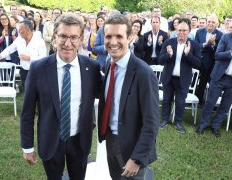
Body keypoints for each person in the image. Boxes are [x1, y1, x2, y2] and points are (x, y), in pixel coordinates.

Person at [20, 13, 102, 179]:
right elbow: (27, 112)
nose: (68, 43)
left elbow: (107, 95)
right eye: (63, 36)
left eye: (73, 37)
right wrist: (27, 147)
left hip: (80, 140)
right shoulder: (38, 68)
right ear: (55, 37)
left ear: (80, 39)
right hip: (50, 139)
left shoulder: (92, 67)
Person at [98, 14, 159, 179]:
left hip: (133, 146)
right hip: (111, 139)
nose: (113, 42)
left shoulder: (143, 73)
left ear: (130, 37)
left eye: (119, 36)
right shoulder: (108, 64)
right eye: (108, 36)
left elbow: (152, 122)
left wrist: (137, 158)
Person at [196, 14, 232, 137]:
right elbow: (217, 55)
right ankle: (202, 125)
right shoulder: (226, 37)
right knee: (210, 102)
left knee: (225, 106)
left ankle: (215, 126)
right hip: (220, 76)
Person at [158, 18, 201, 133]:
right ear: (176, 30)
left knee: (181, 102)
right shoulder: (168, 42)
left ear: (189, 31)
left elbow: (198, 63)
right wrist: (168, 55)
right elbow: (160, 60)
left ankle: (178, 122)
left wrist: (188, 54)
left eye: (184, 30)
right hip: (169, 78)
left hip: (183, 79)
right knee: (166, 100)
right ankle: (165, 120)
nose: (181, 33)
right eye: (179, 30)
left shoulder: (194, 45)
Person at [0, 19, 46, 90]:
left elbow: (43, 58)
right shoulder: (19, 39)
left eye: (21, 29)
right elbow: (10, 48)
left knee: (38, 91)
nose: (18, 31)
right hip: (24, 71)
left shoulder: (39, 41)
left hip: (37, 71)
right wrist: (0, 56)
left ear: (28, 30)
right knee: (27, 91)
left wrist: (29, 58)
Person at [195, 14, 223, 106]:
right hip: (199, 62)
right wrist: (205, 43)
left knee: (211, 85)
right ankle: (197, 100)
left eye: (213, 22)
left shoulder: (220, 35)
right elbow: (196, 46)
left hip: (212, 64)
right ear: (206, 22)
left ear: (217, 24)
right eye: (209, 22)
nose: (210, 24)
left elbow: (219, 50)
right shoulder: (199, 32)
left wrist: (213, 44)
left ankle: (211, 103)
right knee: (198, 83)